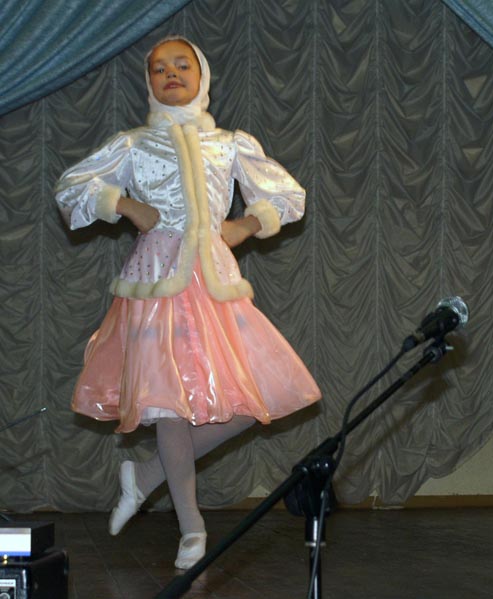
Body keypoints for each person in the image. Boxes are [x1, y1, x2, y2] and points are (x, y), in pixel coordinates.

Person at [55, 36, 322, 568]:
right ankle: (192, 528)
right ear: (149, 82)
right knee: (168, 405)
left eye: (182, 65)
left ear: (202, 77)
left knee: (251, 401)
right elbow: (71, 187)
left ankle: (145, 476)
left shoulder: (229, 144)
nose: (170, 73)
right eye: (159, 68)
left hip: (215, 282)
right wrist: (125, 205)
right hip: (157, 282)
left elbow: (288, 195)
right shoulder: (133, 144)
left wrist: (246, 224)